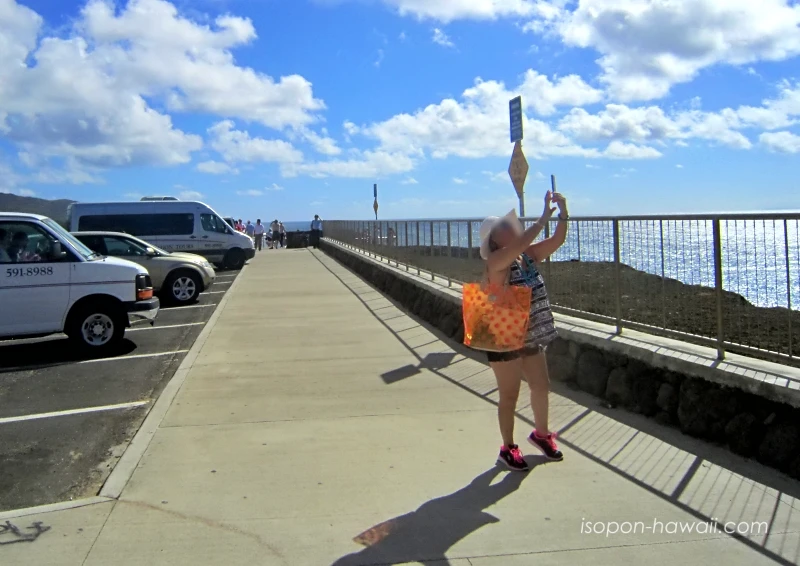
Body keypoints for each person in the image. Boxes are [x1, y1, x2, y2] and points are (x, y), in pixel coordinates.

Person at [480, 190, 569, 471]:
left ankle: (542, 435)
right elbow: (522, 243)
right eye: (504, 226)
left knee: (541, 386)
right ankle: (507, 448)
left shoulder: (526, 256)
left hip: (532, 333)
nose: (511, 227)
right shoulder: (496, 263)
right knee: (509, 395)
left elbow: (557, 241)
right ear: (494, 239)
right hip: (505, 338)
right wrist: (542, 218)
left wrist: (563, 213)